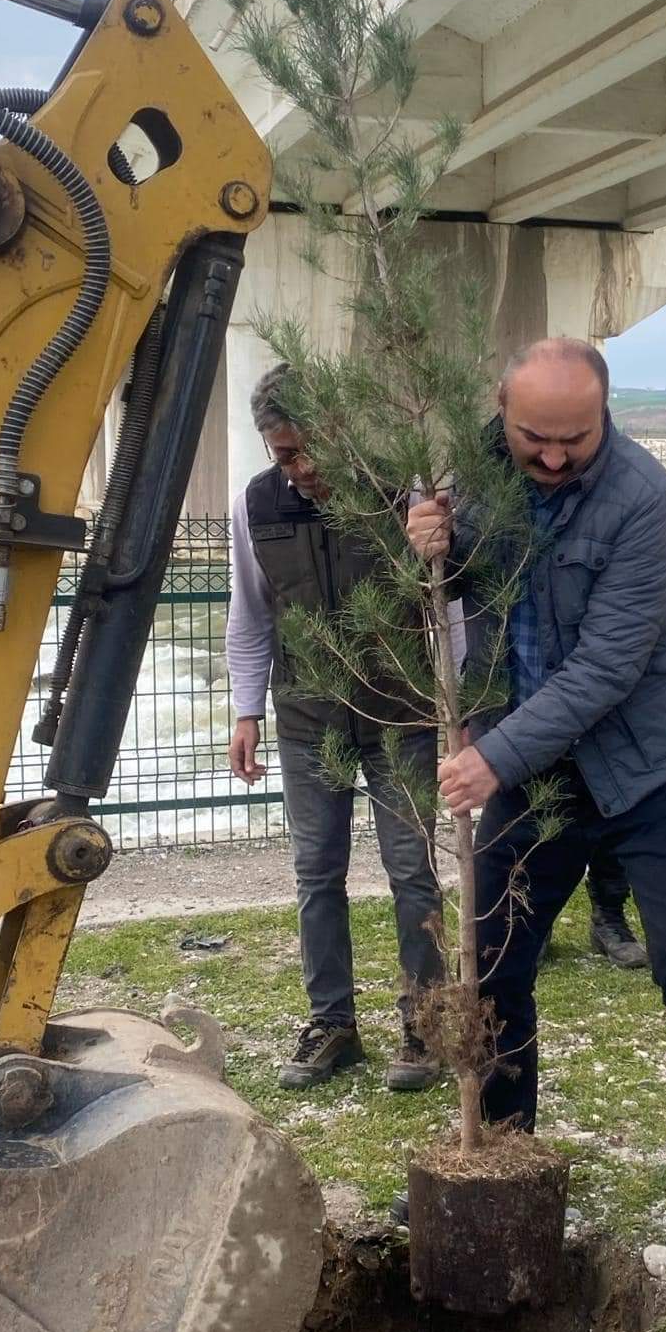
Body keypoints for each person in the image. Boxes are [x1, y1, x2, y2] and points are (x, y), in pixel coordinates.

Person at [407, 337, 666, 1265]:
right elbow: (468, 590)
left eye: (573, 439)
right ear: (503, 411)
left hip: (645, 767)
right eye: (533, 435)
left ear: (605, 414)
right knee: (494, 962)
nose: (550, 455)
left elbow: (608, 666)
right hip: (535, 774)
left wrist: (492, 754)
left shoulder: (645, 500)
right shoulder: (479, 474)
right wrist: (438, 544)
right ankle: (500, 1147)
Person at [227, 364, 445, 1093]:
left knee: (412, 871)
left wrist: (463, 715)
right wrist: (247, 710)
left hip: (399, 715)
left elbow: (448, 609)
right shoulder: (253, 506)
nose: (304, 466)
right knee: (315, 874)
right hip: (306, 718)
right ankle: (333, 1024)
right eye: (286, 454)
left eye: (312, 445)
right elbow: (252, 616)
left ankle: (428, 1022)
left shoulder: (401, 495)